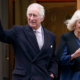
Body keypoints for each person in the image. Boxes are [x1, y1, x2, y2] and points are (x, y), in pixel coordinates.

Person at [0, 3, 58, 80]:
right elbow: (2, 36)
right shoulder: (18, 31)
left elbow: (53, 58)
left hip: (42, 77)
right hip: (24, 77)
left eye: (34, 15)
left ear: (42, 18)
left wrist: (52, 73)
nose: (31, 18)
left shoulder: (51, 36)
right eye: (29, 15)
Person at [56, 9, 80, 80]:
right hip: (70, 77)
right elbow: (60, 60)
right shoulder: (66, 37)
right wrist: (74, 55)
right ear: (74, 23)